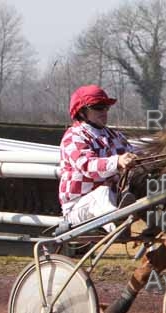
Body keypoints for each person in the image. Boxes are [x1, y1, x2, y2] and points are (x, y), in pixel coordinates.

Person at [59, 84, 137, 231]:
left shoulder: (115, 136)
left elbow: (135, 156)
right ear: (82, 112)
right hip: (78, 207)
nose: (104, 111)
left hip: (113, 199)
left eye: (106, 107)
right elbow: (88, 166)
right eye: (98, 107)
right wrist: (118, 161)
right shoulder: (73, 136)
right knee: (102, 192)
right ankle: (118, 227)